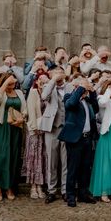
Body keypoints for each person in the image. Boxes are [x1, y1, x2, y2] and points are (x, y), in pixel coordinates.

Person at [58, 77, 99, 207]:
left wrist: (92, 90)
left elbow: (96, 108)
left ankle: (83, 194)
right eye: (82, 87)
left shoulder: (87, 101)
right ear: (76, 87)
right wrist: (81, 87)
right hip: (75, 139)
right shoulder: (69, 97)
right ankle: (70, 196)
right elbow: (70, 105)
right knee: (73, 168)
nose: (84, 90)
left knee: (85, 168)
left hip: (87, 138)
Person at [0, 72, 27, 201]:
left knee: (13, 157)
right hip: (2, 127)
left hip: (15, 127)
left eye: (13, 83)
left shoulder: (19, 93)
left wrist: (22, 119)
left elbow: (24, 109)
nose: (12, 85)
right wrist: (4, 84)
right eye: (10, 83)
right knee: (1, 156)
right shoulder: (0, 92)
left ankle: (9, 186)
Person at [40, 66, 68, 203]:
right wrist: (52, 81)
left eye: (59, 73)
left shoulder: (70, 87)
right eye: (55, 73)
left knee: (65, 161)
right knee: (51, 161)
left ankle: (64, 190)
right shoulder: (48, 86)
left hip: (66, 128)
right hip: (52, 128)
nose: (57, 75)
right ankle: (51, 191)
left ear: (64, 74)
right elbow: (44, 96)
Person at [23, 71, 49, 199]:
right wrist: (35, 128)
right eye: (41, 80)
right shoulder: (33, 92)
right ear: (37, 81)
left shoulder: (48, 94)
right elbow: (31, 111)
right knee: (34, 158)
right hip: (35, 130)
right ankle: (33, 186)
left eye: (46, 81)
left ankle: (41, 185)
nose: (43, 83)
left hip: (45, 130)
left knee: (42, 158)